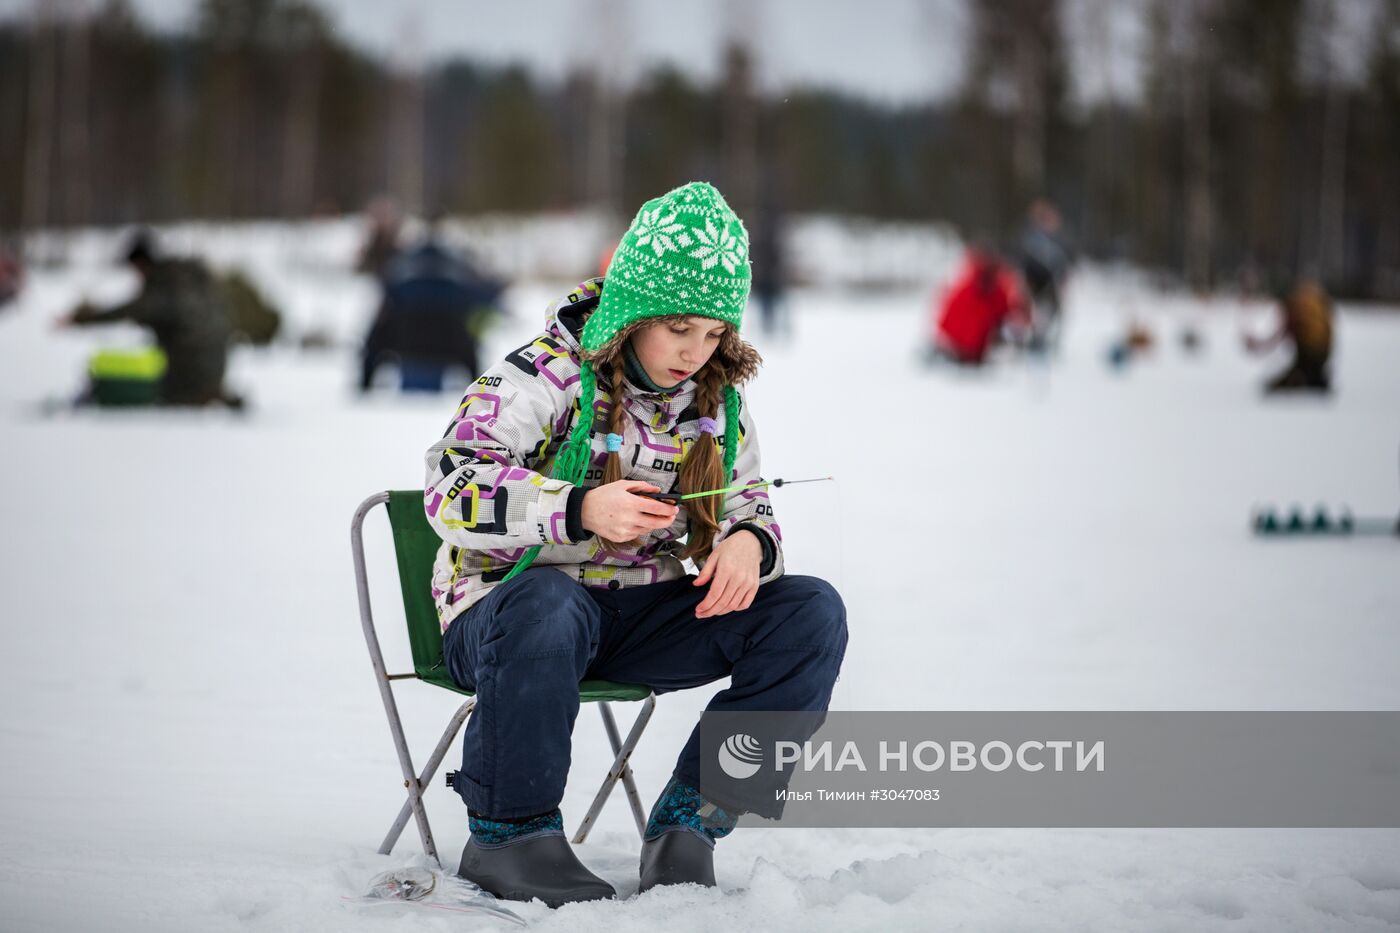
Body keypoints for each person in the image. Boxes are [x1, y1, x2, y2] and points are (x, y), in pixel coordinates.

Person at [423, 182, 848, 906]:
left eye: (714, 333)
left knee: (811, 613)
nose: (695, 351)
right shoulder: (541, 375)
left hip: (636, 613)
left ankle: (693, 822)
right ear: (633, 310)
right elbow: (450, 482)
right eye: (679, 327)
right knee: (551, 602)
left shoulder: (717, 405)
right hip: (507, 614)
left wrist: (748, 542)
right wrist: (580, 506)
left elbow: (751, 501)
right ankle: (509, 835)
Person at [59, 231, 238, 408]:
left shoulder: (164, 285)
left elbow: (129, 310)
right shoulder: (183, 277)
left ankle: (200, 394)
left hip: (192, 369)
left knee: (144, 388)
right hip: (215, 366)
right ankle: (207, 392)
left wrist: (81, 319)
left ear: (141, 262)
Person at [359, 228, 503, 392]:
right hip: (449, 346)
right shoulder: (459, 282)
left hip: (407, 345)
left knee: (379, 332)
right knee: (470, 340)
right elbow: (486, 299)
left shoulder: (400, 279)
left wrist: (365, 382)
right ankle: (479, 394)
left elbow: (378, 330)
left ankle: (365, 389)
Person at [928, 247, 1030, 366]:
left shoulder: (978, 285)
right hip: (963, 347)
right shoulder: (986, 289)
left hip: (963, 346)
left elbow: (1010, 312)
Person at [1244, 280, 1334, 393]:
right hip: (1324, 351)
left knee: (1288, 380)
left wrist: (1258, 345)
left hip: (1307, 353)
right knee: (1311, 372)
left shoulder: (1293, 307)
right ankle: (1313, 376)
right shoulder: (1311, 300)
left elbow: (1280, 335)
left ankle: (1304, 377)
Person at [1016, 199, 1074, 350]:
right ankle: (1030, 338)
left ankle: (1042, 339)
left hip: (1050, 284)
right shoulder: (1030, 238)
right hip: (1035, 281)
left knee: (1050, 312)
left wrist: (1062, 279)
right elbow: (1024, 260)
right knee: (1032, 311)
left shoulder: (1057, 240)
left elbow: (1063, 262)